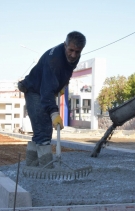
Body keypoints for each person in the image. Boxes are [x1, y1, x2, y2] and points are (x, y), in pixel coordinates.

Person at [18, 31, 86, 168]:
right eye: (71, 50)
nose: (73, 55)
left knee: (41, 131)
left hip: (43, 89)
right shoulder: (54, 60)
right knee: (44, 129)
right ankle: (46, 167)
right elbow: (46, 91)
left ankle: (32, 165)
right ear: (64, 45)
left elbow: (68, 71)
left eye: (77, 52)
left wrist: (63, 84)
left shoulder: (74, 57)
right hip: (34, 90)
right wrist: (54, 113)